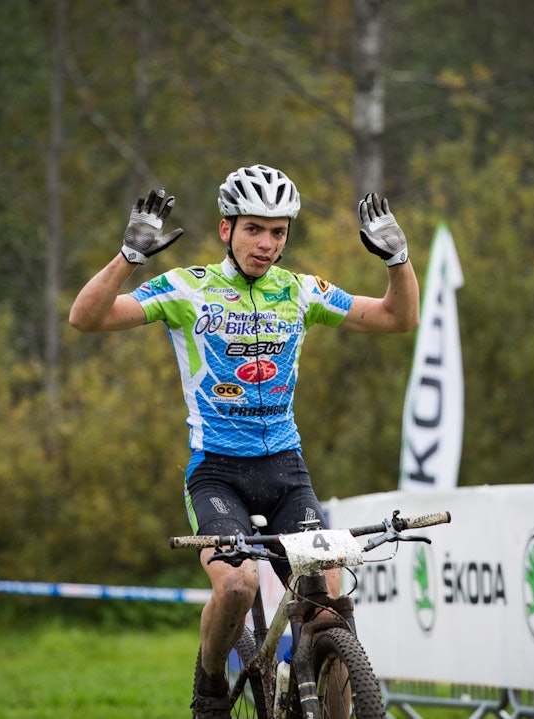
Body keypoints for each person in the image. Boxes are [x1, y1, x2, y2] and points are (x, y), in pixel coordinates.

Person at [68, 164, 419, 719]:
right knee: (237, 585)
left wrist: (398, 261)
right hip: (217, 475)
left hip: (286, 473)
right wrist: (128, 259)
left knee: (331, 607)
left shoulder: (300, 292)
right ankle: (210, 687)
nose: (267, 243)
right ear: (226, 228)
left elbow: (399, 318)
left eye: (278, 231)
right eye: (254, 228)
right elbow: (86, 318)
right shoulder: (188, 288)